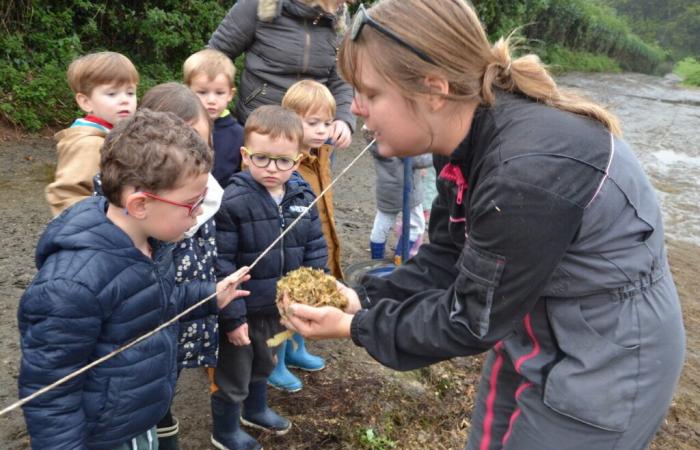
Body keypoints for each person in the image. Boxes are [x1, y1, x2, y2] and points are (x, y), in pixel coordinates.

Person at [283, 1, 686, 449]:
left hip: (607, 352)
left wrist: (355, 327)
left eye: (371, 94)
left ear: (433, 90)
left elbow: (471, 319)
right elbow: (449, 254)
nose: (356, 109)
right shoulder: (456, 134)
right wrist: (363, 296)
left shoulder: (524, 172)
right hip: (527, 318)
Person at [18, 109, 250, 450]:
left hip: (137, 415)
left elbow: (154, 305)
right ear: (140, 204)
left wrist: (209, 296)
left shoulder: (152, 241)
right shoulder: (69, 288)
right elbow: (50, 395)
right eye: (192, 202)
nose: (200, 211)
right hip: (103, 435)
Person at [210, 105, 327, 450]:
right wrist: (231, 319)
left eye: (283, 161)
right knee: (234, 371)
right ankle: (226, 429)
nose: (272, 169)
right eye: (262, 158)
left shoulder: (303, 195)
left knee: (266, 360)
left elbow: (314, 246)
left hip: (279, 305)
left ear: (298, 159)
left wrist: (313, 289)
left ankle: (256, 409)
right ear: (245, 156)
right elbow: (221, 263)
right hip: (242, 309)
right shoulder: (232, 201)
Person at [136, 82, 225, 450]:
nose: (188, 153)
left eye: (198, 142)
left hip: (185, 313)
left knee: (166, 383)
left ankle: (163, 426)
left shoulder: (211, 194)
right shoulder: (134, 208)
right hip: (142, 328)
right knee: (143, 391)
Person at [263, 79, 341, 393]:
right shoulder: (285, 163)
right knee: (286, 307)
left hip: (313, 241)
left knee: (304, 299)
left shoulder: (319, 154)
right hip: (288, 248)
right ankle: (275, 363)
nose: (322, 130)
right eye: (313, 123)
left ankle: (296, 351)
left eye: (327, 122)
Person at [207, 0, 356, 149]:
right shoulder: (256, 5)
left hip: (313, 139)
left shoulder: (339, 16)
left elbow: (342, 77)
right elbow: (213, 59)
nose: (344, 4)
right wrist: (213, 115)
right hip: (261, 132)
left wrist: (343, 118)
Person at [45, 51, 138, 216]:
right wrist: (88, 233)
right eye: (112, 93)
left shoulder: (116, 133)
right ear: (86, 102)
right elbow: (67, 194)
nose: (125, 99)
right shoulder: (88, 143)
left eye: (130, 92)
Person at [364, 125, 432, 263]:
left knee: (382, 223)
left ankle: (376, 260)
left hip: (386, 191)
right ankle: (400, 258)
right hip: (408, 192)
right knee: (416, 225)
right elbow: (421, 160)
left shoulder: (376, 142)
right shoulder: (400, 143)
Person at [184, 49, 245, 187]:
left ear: (230, 94)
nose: (211, 100)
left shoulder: (240, 135)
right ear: (187, 90)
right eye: (202, 92)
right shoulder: (179, 127)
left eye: (219, 93)